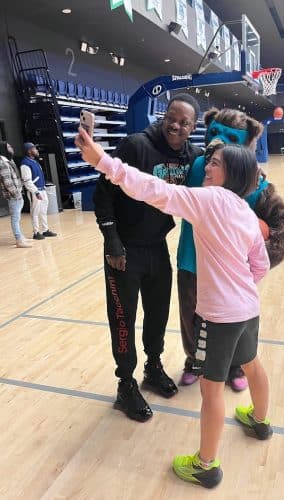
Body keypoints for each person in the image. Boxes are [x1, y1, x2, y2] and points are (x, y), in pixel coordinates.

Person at [76, 129, 272, 489]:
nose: (207, 167)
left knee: (212, 390)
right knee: (252, 363)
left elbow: (154, 189)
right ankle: (260, 420)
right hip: (248, 308)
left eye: (215, 164)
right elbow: (260, 265)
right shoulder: (245, 211)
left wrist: (103, 162)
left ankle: (205, 465)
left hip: (220, 316)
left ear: (233, 174)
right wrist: (240, 288)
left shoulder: (209, 199)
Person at [93, 94, 202, 422]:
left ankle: (153, 367)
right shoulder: (136, 146)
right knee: (124, 319)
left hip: (157, 246)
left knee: (158, 313)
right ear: (163, 115)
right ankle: (125, 384)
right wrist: (112, 242)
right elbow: (103, 194)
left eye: (184, 123)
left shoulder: (192, 156)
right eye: (172, 117)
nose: (176, 126)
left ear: (192, 128)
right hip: (123, 250)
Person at [177, 107, 264, 391]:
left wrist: (250, 275)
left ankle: (233, 364)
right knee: (191, 314)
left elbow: (270, 220)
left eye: (230, 137)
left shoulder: (250, 176)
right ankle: (194, 360)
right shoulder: (200, 164)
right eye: (215, 132)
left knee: (233, 318)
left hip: (229, 266)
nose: (220, 140)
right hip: (192, 257)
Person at [20, 143, 57, 240]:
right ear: (29, 151)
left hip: (42, 189)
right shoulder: (25, 164)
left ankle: (45, 230)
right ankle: (36, 232)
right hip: (35, 191)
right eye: (34, 148)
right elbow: (27, 181)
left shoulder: (34, 162)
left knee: (43, 211)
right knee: (35, 212)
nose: (36, 150)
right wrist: (36, 192)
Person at [0, 141, 32, 248]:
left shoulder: (10, 161)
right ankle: (19, 240)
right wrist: (16, 194)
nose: (11, 148)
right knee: (15, 218)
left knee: (17, 218)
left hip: (18, 193)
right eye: (8, 147)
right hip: (14, 196)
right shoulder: (2, 163)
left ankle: (21, 237)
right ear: (3, 149)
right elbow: (7, 182)